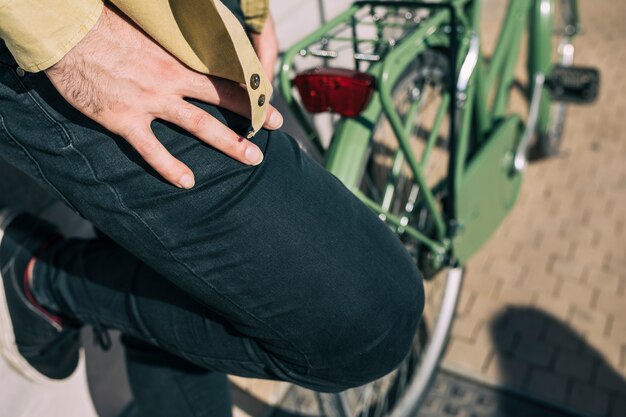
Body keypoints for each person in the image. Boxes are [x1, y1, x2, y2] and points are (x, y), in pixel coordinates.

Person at [0, 1, 425, 416]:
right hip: (80, 34)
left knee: (192, 283)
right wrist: (77, 39)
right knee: (367, 325)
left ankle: (46, 284)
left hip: (180, 17)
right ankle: (44, 280)